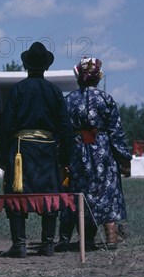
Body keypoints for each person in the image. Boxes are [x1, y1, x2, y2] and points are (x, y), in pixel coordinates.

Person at [0, 42, 74, 258]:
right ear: (46, 67)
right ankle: (47, 245)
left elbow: (6, 124)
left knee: (17, 195)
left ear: (25, 66)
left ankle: (19, 245)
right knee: (49, 194)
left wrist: (1, 158)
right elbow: (66, 128)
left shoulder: (18, 89)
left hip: (21, 151)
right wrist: (66, 158)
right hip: (48, 151)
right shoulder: (55, 91)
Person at [55, 57, 132, 252]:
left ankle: (86, 239)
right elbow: (116, 131)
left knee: (80, 192)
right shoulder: (106, 99)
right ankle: (111, 237)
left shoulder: (69, 100)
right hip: (103, 151)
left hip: (77, 151)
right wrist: (124, 157)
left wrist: (60, 155)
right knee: (108, 191)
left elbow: (61, 130)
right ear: (98, 77)